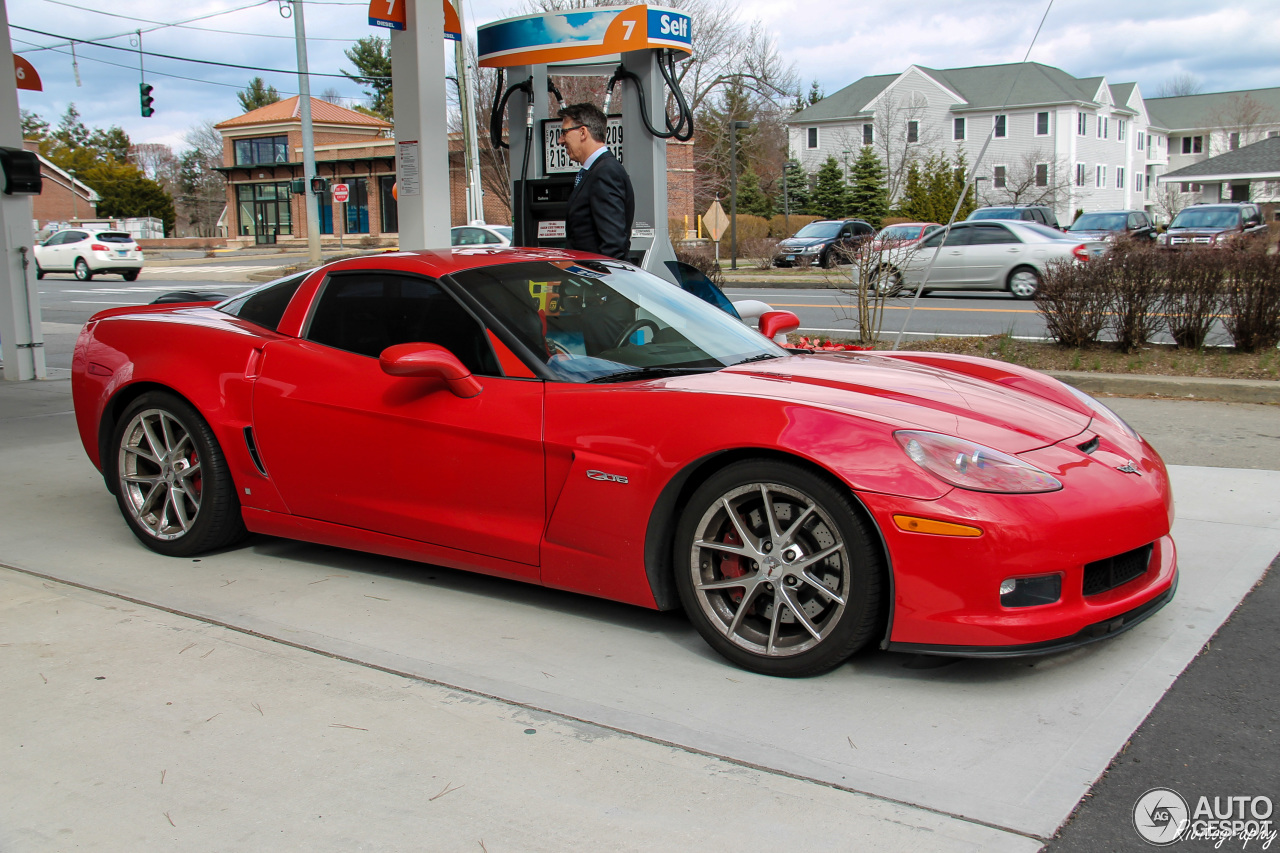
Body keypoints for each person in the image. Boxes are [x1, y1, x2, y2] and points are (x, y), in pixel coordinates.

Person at [558, 104, 635, 262]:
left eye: (564, 132)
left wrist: (597, 285)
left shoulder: (605, 172)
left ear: (583, 132)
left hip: (594, 282)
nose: (561, 140)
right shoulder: (596, 171)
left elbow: (613, 245)